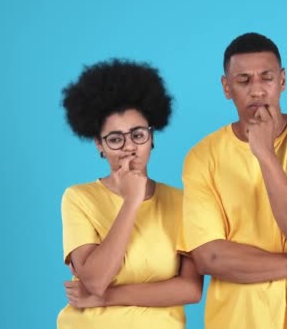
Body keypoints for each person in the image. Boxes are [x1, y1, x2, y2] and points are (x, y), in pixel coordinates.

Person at [176, 32, 287, 329]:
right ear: (226, 87)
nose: (256, 90)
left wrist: (265, 155)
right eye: (243, 80)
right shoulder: (202, 157)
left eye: (266, 78)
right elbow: (212, 257)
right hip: (234, 320)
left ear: (282, 81)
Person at [57, 59, 203, 329]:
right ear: (100, 145)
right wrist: (132, 201)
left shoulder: (182, 202)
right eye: (115, 139)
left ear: (152, 137)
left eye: (138, 135)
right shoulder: (78, 198)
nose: (129, 147)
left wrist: (106, 299)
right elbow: (96, 280)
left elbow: (190, 290)